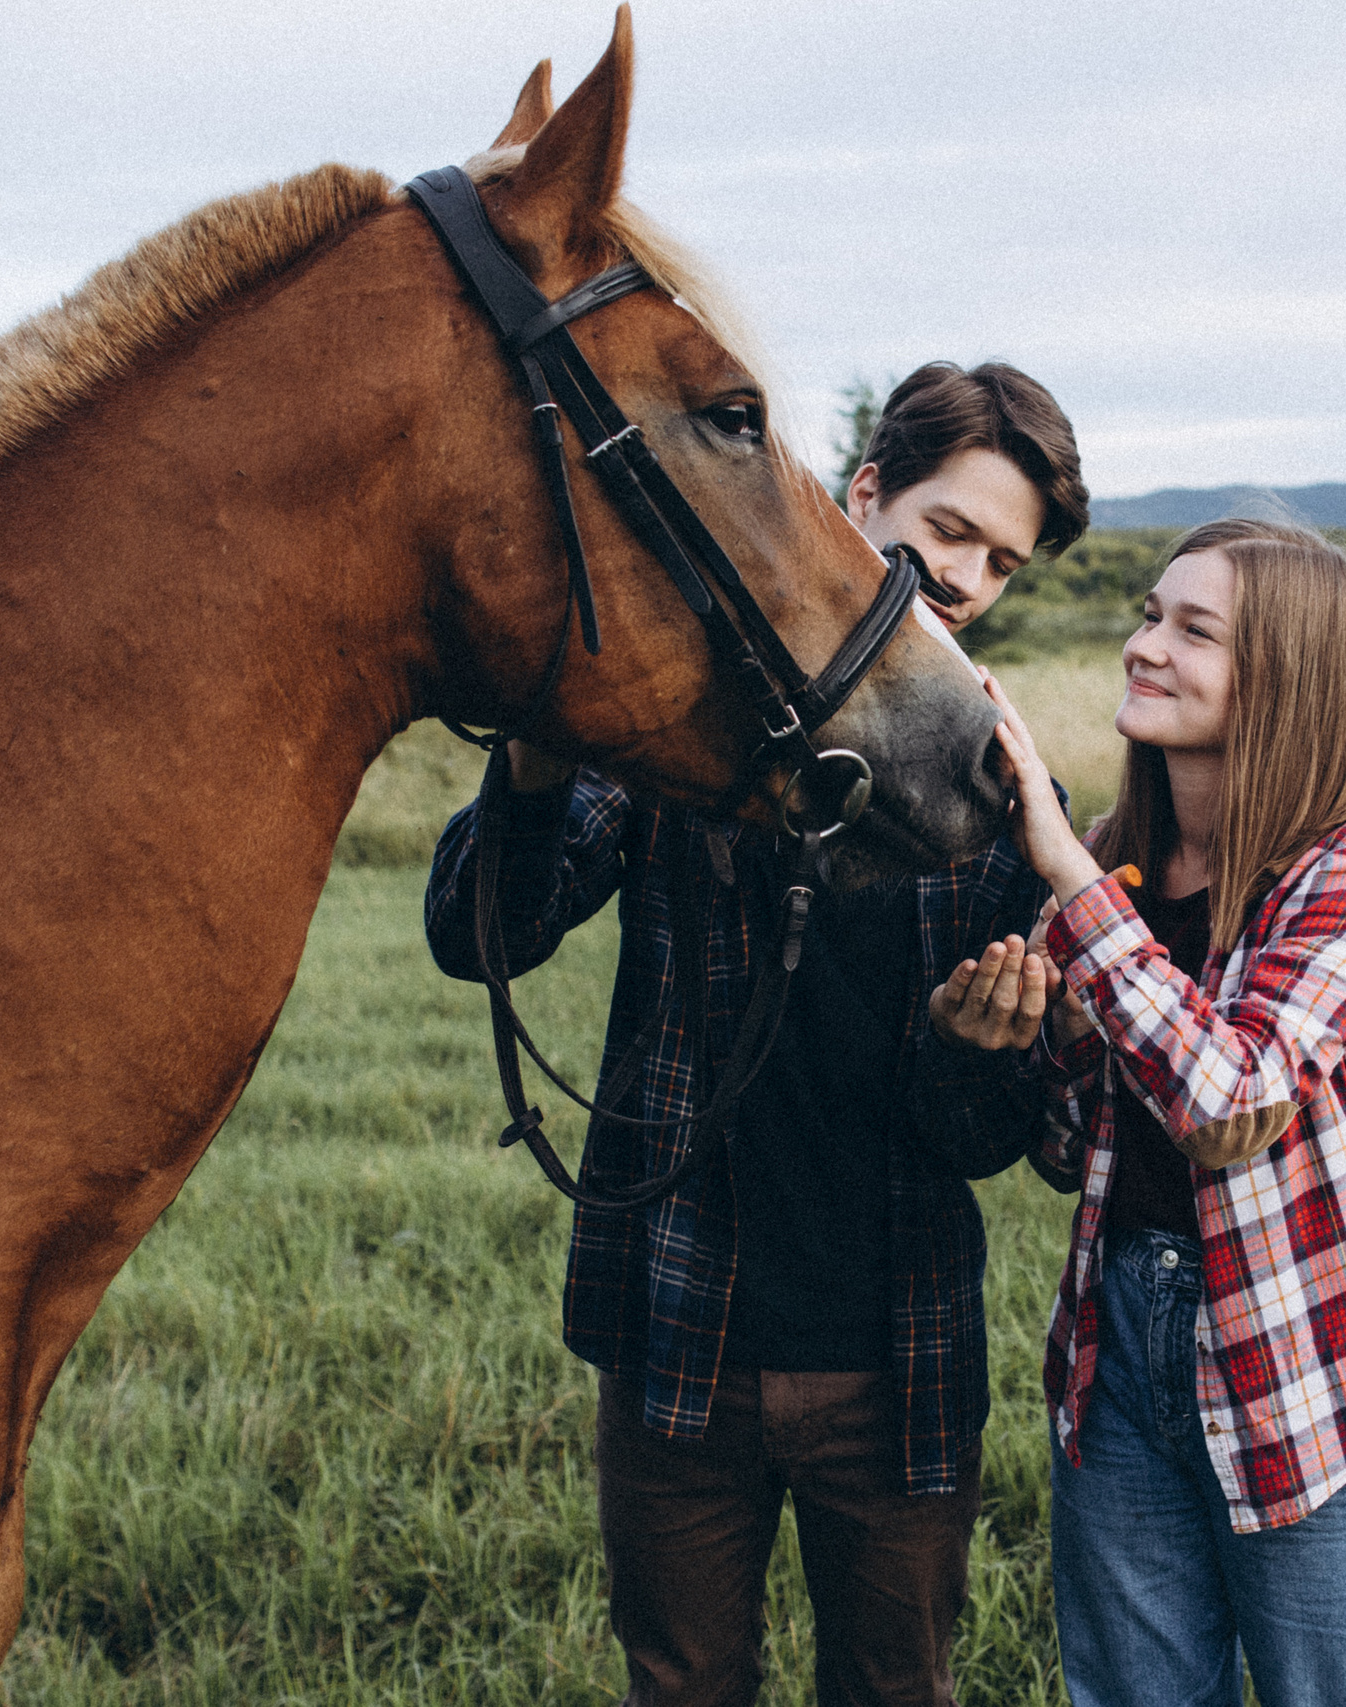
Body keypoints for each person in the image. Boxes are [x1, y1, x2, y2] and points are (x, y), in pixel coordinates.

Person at [425, 360, 1088, 1707]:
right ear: (865, 492)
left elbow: (983, 1141)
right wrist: (540, 754)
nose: (965, 578)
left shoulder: (998, 794)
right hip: (678, 1333)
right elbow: (478, 931)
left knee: (897, 1688)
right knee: (680, 1684)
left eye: (1002, 562)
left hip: (897, 1358)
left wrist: (973, 1049)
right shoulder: (683, 730)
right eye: (950, 528)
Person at [923, 518, 1346, 1706]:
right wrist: (1014, 1039)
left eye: (1192, 630)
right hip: (1117, 1345)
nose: (1144, 646)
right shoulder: (1116, 860)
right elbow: (1075, 1151)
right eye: (1149, 615)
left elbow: (1230, 1105)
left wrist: (1064, 876)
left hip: (1309, 1356)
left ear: (1287, 677)